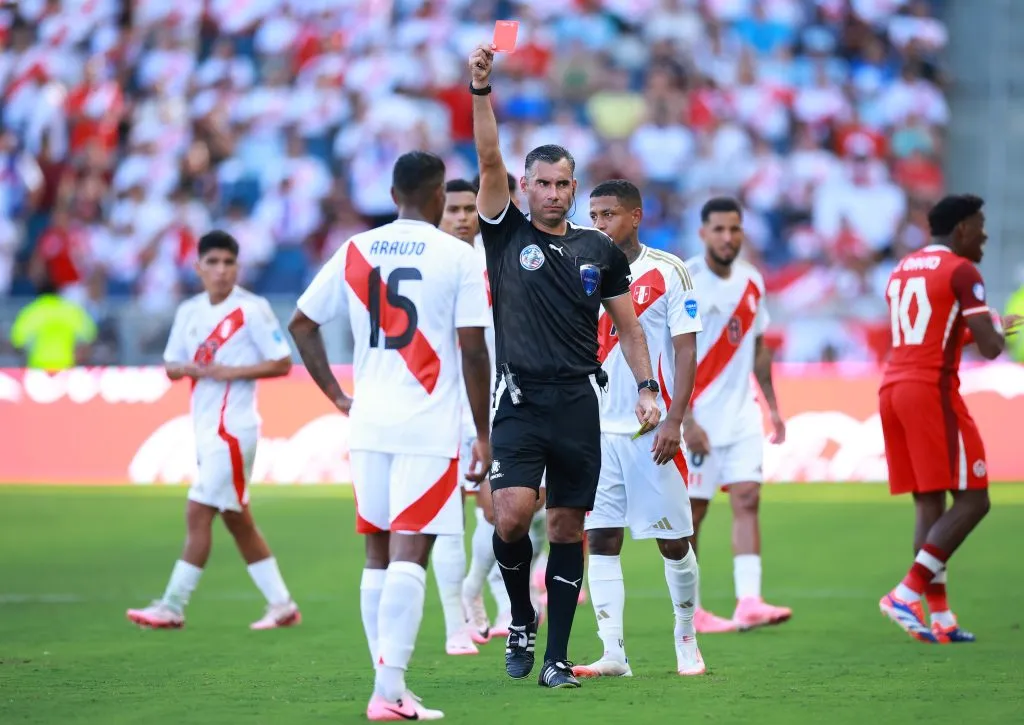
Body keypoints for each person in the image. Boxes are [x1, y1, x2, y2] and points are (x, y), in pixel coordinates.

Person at [470, 44, 662, 690]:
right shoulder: (504, 232)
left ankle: (555, 656)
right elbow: (488, 157)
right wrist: (481, 93)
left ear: (574, 189)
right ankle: (520, 615)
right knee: (510, 516)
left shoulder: (598, 250)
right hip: (520, 400)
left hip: (579, 399)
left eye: (562, 184)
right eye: (542, 184)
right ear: (525, 187)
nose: (552, 193)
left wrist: (646, 384)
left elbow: (629, 325)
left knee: (567, 526)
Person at [288, 151, 492, 720]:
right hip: (427, 423)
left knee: (377, 550)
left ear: (394, 191)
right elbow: (473, 350)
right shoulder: (455, 255)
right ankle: (389, 691)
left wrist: (336, 396)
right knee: (412, 549)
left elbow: (302, 323)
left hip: (368, 421)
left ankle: (386, 684)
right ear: (434, 197)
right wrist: (484, 432)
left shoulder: (356, 249)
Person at [126, 231, 300, 631]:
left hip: (233, 431)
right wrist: (193, 368)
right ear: (198, 267)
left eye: (228, 263)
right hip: (205, 428)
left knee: (198, 509)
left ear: (238, 267)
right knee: (238, 520)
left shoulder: (252, 310)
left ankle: (172, 604)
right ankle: (282, 605)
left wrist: (232, 371)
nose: (221, 271)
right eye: (213, 262)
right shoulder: (189, 311)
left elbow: (281, 362)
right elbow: (172, 365)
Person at [572, 180, 706, 679]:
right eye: (593, 214)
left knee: (674, 541)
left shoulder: (669, 271)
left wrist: (676, 418)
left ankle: (687, 636)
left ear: (635, 216)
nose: (599, 223)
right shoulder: (579, 266)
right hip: (593, 429)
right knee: (600, 539)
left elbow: (687, 349)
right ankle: (613, 653)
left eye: (608, 213)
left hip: (650, 427)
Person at [878, 194, 1021, 643]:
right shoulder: (962, 270)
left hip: (892, 388)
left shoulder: (902, 268)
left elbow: (929, 330)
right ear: (961, 228)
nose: (984, 234)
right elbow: (993, 348)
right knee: (976, 498)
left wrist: (981, 322)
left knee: (929, 501)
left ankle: (940, 617)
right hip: (930, 391)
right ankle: (906, 593)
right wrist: (994, 326)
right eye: (979, 225)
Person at [682, 197, 792, 633]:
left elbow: (760, 347)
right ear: (703, 233)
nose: (728, 238)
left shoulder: (752, 281)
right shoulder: (685, 279)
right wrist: (684, 419)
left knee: (748, 498)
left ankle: (749, 600)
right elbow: (670, 354)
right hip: (698, 417)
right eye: (719, 230)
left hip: (742, 413)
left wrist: (773, 406)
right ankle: (690, 609)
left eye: (735, 229)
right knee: (692, 514)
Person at [428, 177, 495, 656]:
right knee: (447, 518)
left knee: (505, 511)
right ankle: (456, 625)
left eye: (470, 208)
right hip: (436, 405)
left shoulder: (496, 260)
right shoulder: (427, 263)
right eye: (453, 209)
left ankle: (473, 586)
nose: (462, 217)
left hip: (492, 401)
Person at [10, 278, 96, 369]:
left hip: (38, 367)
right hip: (65, 365)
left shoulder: (31, 312)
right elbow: (89, 335)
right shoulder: (71, 310)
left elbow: (17, 341)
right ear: (58, 292)